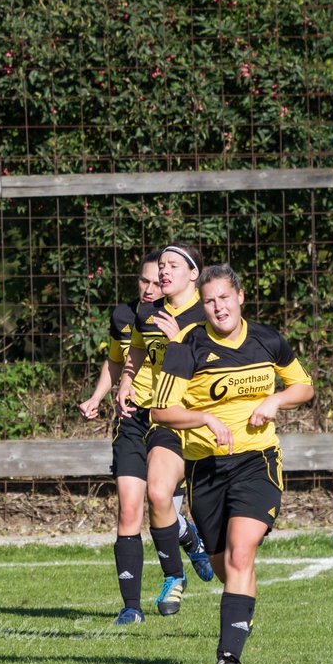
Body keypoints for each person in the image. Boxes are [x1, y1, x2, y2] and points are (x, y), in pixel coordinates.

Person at [151, 264, 314, 664]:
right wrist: (205, 419)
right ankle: (242, 617)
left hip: (256, 461)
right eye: (209, 301)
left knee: (242, 555)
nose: (218, 307)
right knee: (228, 568)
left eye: (224, 297)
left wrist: (275, 401)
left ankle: (228, 656)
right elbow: (161, 410)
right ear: (202, 305)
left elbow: (304, 386)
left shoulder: (267, 339)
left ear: (240, 296)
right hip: (206, 469)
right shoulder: (186, 347)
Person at [114, 242, 213, 621]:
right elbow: (136, 350)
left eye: (173, 265)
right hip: (161, 419)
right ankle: (173, 578)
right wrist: (126, 379)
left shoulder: (207, 314)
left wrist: (178, 343)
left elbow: (218, 363)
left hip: (201, 421)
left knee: (219, 528)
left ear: (194, 274)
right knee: (155, 495)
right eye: (161, 266)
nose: (163, 272)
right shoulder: (147, 311)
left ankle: (190, 537)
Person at [78, 251, 168, 625]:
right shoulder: (124, 316)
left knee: (165, 502)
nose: (149, 289)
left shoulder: (181, 317)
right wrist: (97, 396)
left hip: (171, 419)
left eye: (157, 282)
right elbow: (116, 360)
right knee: (129, 507)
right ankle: (132, 607)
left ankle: (189, 540)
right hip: (130, 419)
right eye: (143, 281)